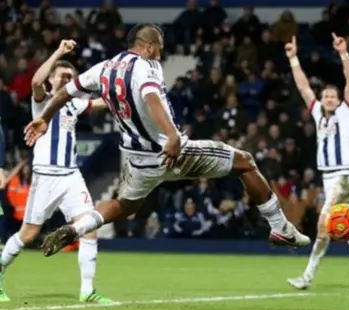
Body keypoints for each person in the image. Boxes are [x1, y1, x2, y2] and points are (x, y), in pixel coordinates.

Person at [24, 24, 310, 255]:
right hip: (171, 152)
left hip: (137, 160)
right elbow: (151, 98)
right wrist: (172, 136)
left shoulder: (104, 68)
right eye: (159, 47)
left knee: (125, 206)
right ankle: (279, 226)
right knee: (245, 163)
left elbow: (65, 93)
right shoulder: (146, 66)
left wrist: (45, 117)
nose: (161, 53)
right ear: (148, 45)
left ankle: (74, 229)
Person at [1, 40, 110, 303]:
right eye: (63, 75)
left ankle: (87, 291)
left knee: (89, 227)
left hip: (71, 175)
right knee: (28, 234)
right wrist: (60, 52)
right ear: (51, 78)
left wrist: (123, 91)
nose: (68, 79)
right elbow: (36, 82)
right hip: (46, 175)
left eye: (72, 77)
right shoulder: (42, 101)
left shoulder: (75, 104)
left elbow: (98, 104)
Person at [286, 33, 349, 291]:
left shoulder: (346, 111)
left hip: (344, 175)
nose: (328, 99)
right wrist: (293, 59)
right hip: (329, 176)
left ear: (338, 100)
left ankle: (307, 277)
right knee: (347, 225)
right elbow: (304, 88)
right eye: (325, 96)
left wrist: (344, 54)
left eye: (332, 96)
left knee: (324, 224)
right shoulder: (317, 113)